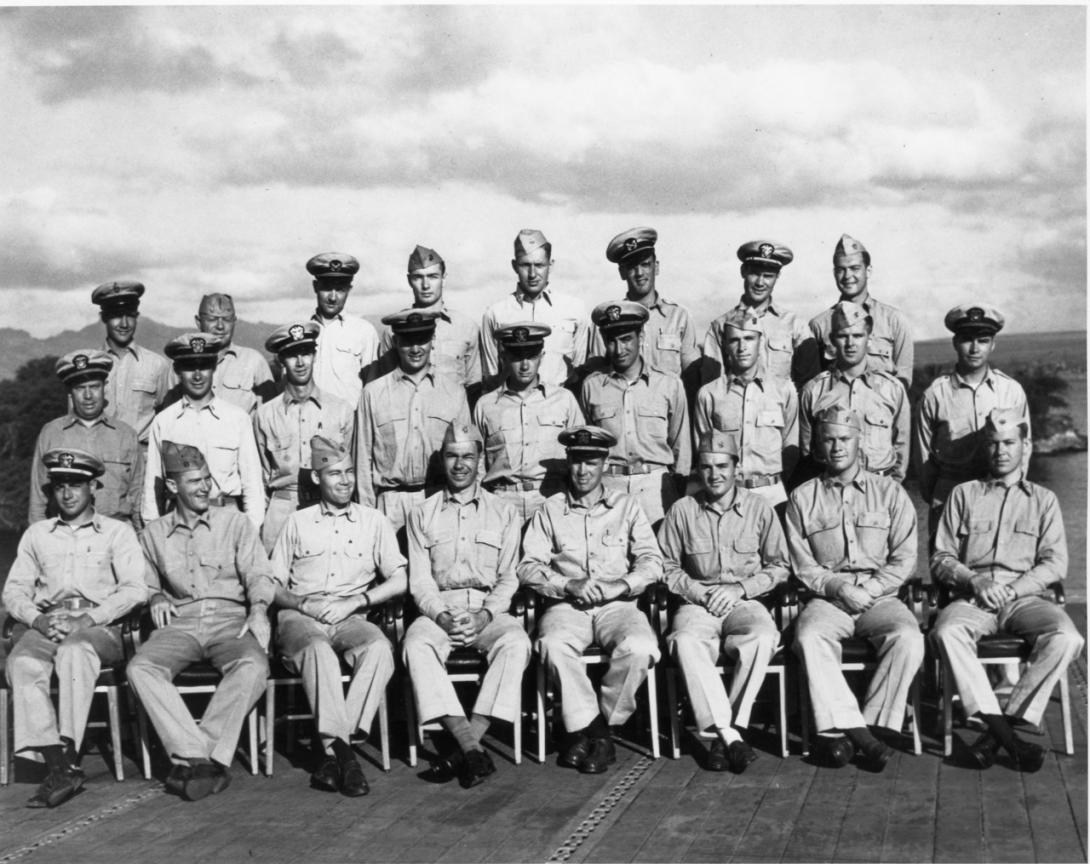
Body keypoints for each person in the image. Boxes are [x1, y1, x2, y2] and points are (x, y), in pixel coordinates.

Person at [930, 408, 1082, 772]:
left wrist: (1012, 590)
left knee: (1068, 637)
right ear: (985, 447)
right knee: (947, 631)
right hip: (972, 597)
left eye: (1009, 443)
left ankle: (996, 734)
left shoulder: (1043, 500)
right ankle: (1009, 740)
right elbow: (941, 557)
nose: (1001, 451)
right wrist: (974, 580)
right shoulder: (963, 495)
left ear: (1025, 445)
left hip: (1024, 600)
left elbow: (1054, 564)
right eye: (994, 444)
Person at [128, 443, 273, 802]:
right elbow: (143, 583)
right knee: (140, 668)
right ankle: (203, 759)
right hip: (180, 622)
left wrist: (257, 607)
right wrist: (156, 596)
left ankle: (196, 758)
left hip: (230, 620)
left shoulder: (235, 522)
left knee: (254, 665)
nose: (205, 487)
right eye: (195, 481)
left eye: (207, 478)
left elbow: (259, 574)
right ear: (174, 487)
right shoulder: (153, 534)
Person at [3, 448, 145, 808]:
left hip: (99, 627)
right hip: (47, 622)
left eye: (77, 485)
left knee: (74, 650)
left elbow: (134, 589)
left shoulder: (117, 532)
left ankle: (66, 754)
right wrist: (36, 619)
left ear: (93, 486)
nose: (67, 494)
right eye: (60, 485)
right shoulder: (38, 534)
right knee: (22, 664)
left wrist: (88, 619)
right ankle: (60, 767)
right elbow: (14, 591)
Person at [519, 426, 663, 774]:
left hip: (618, 605)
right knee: (552, 644)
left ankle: (592, 728)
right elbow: (527, 567)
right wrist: (567, 585)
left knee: (641, 647)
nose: (583, 471)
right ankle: (600, 735)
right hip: (568, 606)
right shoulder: (550, 510)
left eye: (591, 462)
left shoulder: (627, 507)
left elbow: (652, 562)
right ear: (567, 463)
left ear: (605, 464)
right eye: (576, 462)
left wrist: (622, 585)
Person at [785, 407, 923, 772]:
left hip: (880, 598)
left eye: (844, 438)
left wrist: (874, 587)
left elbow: (905, 556)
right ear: (818, 445)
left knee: (908, 637)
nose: (837, 447)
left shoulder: (890, 493)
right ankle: (866, 737)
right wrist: (836, 586)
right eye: (828, 439)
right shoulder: (802, 498)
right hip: (828, 598)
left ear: (859, 440)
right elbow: (802, 563)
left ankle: (857, 728)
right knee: (810, 636)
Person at [269, 436, 407, 797]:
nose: (345, 481)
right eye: (334, 473)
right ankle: (346, 755)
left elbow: (400, 579)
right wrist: (301, 605)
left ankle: (334, 753)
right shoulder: (297, 522)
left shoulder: (373, 521)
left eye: (349, 472)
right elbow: (271, 585)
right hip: (303, 617)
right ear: (317, 478)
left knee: (379, 649)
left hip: (351, 614)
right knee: (316, 650)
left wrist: (358, 600)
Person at [403, 421, 530, 787]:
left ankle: (466, 744)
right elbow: (420, 580)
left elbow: (509, 576)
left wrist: (486, 614)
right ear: (442, 460)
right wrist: (441, 616)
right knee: (415, 644)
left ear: (481, 462)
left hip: (489, 610)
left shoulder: (504, 512)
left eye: (468, 457)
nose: (460, 465)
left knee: (516, 643)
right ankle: (471, 747)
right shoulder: (421, 513)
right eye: (452, 456)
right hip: (441, 607)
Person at [659, 432, 789, 772]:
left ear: (737, 467)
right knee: (685, 641)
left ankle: (725, 734)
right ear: (697, 470)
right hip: (697, 603)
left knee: (763, 637)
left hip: (745, 600)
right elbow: (666, 567)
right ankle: (731, 736)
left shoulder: (760, 508)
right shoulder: (682, 511)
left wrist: (741, 589)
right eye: (706, 467)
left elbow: (779, 565)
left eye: (722, 466)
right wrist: (699, 593)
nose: (714, 474)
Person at [914, 304, 1030, 540]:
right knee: (946, 569)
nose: (975, 348)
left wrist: (1012, 493)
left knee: (998, 568)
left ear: (993, 344)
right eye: (967, 340)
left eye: (984, 340)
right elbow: (923, 458)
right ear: (955, 342)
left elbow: (1024, 449)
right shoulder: (936, 395)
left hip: (999, 492)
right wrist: (938, 497)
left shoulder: (1011, 391)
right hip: (949, 495)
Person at [356, 309, 470, 532]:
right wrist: (366, 519)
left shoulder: (454, 392)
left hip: (439, 500)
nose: (416, 349)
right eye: (408, 341)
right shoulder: (373, 393)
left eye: (422, 340)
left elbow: (468, 455)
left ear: (432, 340)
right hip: (390, 506)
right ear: (396, 342)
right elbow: (362, 461)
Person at [580, 301, 690, 526]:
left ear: (641, 337)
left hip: (656, 489)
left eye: (626, 339)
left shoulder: (669, 384)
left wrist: (677, 495)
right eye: (611, 341)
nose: (619, 349)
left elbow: (681, 448)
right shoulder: (592, 387)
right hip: (610, 487)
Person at [143, 333, 264, 528]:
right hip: (179, 521)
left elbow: (252, 484)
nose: (198, 375)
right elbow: (152, 488)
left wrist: (251, 530)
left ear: (214, 367)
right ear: (177, 370)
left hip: (227, 519)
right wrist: (154, 532)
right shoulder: (164, 422)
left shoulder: (237, 419)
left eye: (204, 366)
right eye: (190, 367)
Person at [255, 321, 355, 552]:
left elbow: (350, 469)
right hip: (281, 510)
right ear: (281, 361)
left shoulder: (340, 410)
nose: (300, 362)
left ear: (314, 355)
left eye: (305, 353)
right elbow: (260, 477)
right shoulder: (265, 415)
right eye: (292, 355)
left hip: (327, 505)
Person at [473, 322, 584, 521]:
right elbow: (478, 462)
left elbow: (580, 454)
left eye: (531, 356)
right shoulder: (486, 405)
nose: (525, 365)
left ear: (541, 357)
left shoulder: (564, 399)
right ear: (504, 357)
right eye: (517, 357)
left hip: (551, 498)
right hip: (501, 501)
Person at [694, 308, 799, 508]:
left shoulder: (783, 390)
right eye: (734, 340)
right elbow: (703, 452)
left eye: (749, 339)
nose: (742, 347)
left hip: (773, 495)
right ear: (725, 345)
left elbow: (791, 447)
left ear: (760, 342)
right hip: (727, 496)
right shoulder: (709, 394)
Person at [28, 350, 143, 527]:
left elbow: (138, 497)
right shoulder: (51, 433)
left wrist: (140, 541)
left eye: (94, 387)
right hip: (65, 537)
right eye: (80, 388)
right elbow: (38, 500)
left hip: (117, 537)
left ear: (105, 387)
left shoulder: (126, 435)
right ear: (69, 392)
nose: (88, 396)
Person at [799, 301, 908, 482]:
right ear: (832, 340)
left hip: (880, 490)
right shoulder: (814, 391)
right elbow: (806, 451)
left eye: (858, 336)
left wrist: (892, 489)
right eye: (843, 336)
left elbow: (901, 448)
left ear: (869, 339)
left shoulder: (892, 389)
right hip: (831, 490)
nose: (850, 343)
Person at [586, 228, 700, 387]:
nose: (639, 273)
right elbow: (596, 379)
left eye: (645, 264)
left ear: (657, 267)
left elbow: (692, 374)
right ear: (622, 273)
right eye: (632, 267)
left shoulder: (679, 317)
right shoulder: (606, 321)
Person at [480, 229, 589, 389]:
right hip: (511, 407)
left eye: (539, 265)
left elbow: (580, 371)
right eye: (525, 265)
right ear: (514, 266)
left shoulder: (574, 309)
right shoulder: (495, 314)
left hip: (560, 406)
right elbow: (491, 377)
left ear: (550, 265)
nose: (532, 274)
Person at [805, 235, 913, 388]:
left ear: (868, 271)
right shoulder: (818, 325)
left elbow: (903, 379)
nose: (848, 276)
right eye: (841, 270)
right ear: (834, 273)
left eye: (855, 268)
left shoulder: (894, 320)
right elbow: (813, 386)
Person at [700, 241, 809, 387]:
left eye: (768, 276)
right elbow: (711, 387)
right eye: (754, 274)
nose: (760, 282)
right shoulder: (720, 326)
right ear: (743, 271)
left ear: (778, 276)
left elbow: (808, 386)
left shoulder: (795, 325)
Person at [375, 245, 481, 394]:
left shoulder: (466, 327)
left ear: (443, 279)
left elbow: (474, 384)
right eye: (418, 277)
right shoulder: (393, 331)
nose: (425, 285)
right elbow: (387, 388)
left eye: (433, 277)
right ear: (409, 280)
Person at [91, 280, 172, 448]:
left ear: (137, 317)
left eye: (130, 315)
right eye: (116, 316)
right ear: (104, 318)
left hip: (143, 458)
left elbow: (168, 418)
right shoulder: (91, 365)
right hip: (101, 457)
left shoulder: (157, 365)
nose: (124, 324)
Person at [307, 252, 380, 405]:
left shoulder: (364, 332)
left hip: (349, 424)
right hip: (308, 423)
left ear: (349, 289)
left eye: (340, 289)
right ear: (315, 287)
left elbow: (373, 389)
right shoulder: (303, 332)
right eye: (327, 288)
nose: (333, 297)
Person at [194, 293, 275, 415]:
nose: (220, 326)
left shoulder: (254, 361)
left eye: (227, 319)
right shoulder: (184, 364)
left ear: (234, 322)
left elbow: (271, 415)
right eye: (212, 319)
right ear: (199, 322)